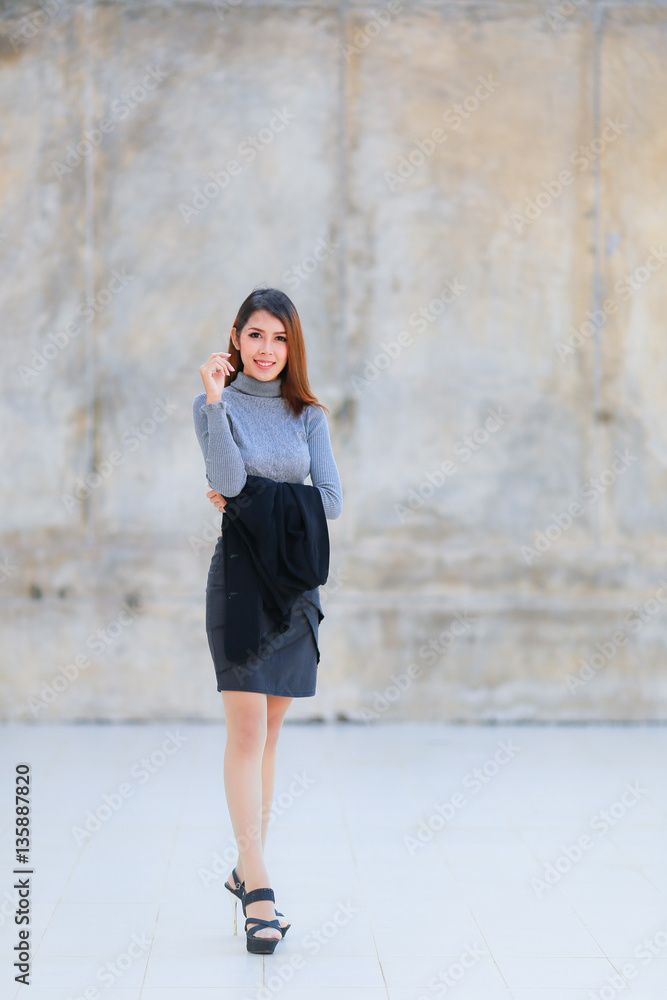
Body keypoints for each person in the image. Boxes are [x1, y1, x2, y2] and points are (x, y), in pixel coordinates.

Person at [193, 286, 343, 953]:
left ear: (292, 346)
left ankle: (242, 863)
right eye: (255, 335)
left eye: (279, 338)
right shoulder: (210, 407)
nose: (266, 349)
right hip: (239, 584)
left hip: (294, 587)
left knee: (272, 730)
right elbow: (224, 478)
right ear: (234, 339)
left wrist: (252, 500)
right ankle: (257, 884)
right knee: (246, 728)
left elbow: (332, 501)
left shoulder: (307, 414)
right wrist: (217, 402)